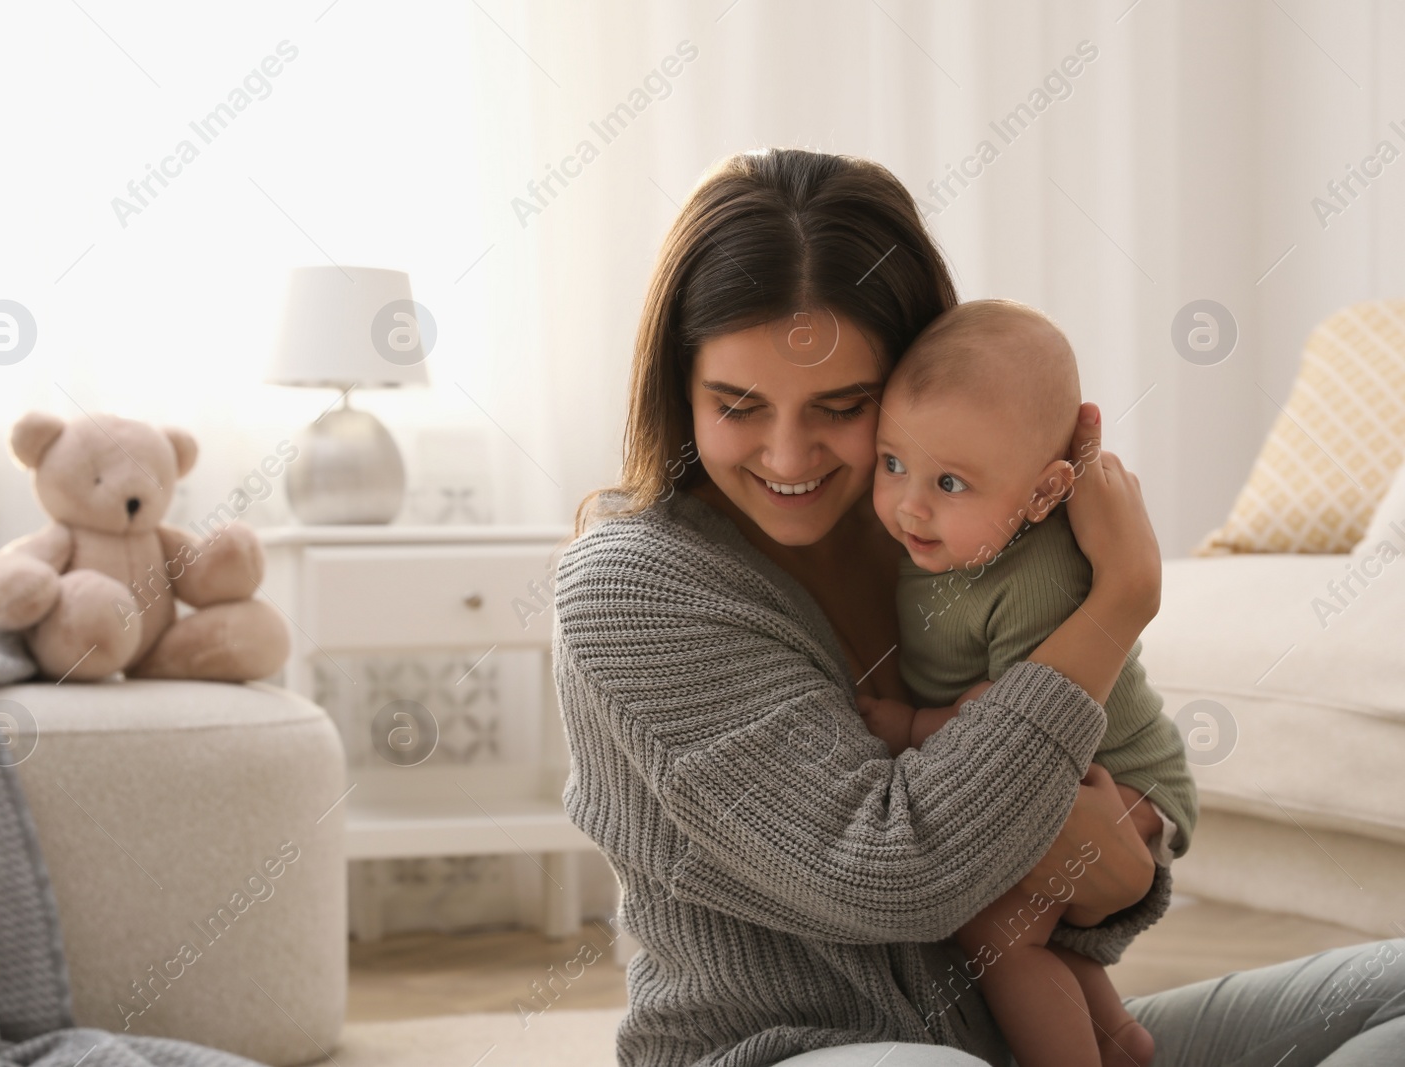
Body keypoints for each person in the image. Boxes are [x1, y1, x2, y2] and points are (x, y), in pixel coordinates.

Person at [552, 146, 1405, 1066]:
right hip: (786, 1049)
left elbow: (1091, 862)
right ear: (678, 387)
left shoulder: (950, 539)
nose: (789, 456)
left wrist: (1115, 876)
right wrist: (1119, 602)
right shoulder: (631, 587)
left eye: (842, 406)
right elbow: (895, 871)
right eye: (738, 404)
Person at [860, 299, 1199, 1066]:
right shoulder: (942, 542)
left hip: (1124, 777)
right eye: (893, 463)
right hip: (1071, 769)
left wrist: (912, 729)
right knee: (1052, 942)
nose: (910, 503)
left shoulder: (1038, 575)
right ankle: (1122, 1042)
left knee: (999, 934)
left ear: (1044, 493)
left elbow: (1017, 725)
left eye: (950, 481)